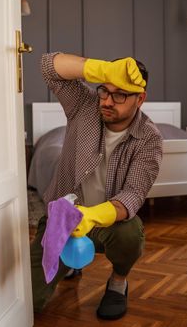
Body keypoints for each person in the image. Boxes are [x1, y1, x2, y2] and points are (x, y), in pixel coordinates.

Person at [30, 52, 163, 320]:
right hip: (62, 220)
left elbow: (133, 195)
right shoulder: (84, 106)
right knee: (28, 301)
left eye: (120, 95)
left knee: (130, 234)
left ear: (140, 99)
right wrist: (101, 70)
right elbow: (48, 66)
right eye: (105, 90)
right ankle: (70, 264)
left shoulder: (150, 139)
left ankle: (118, 282)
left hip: (107, 224)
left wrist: (91, 216)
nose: (107, 101)